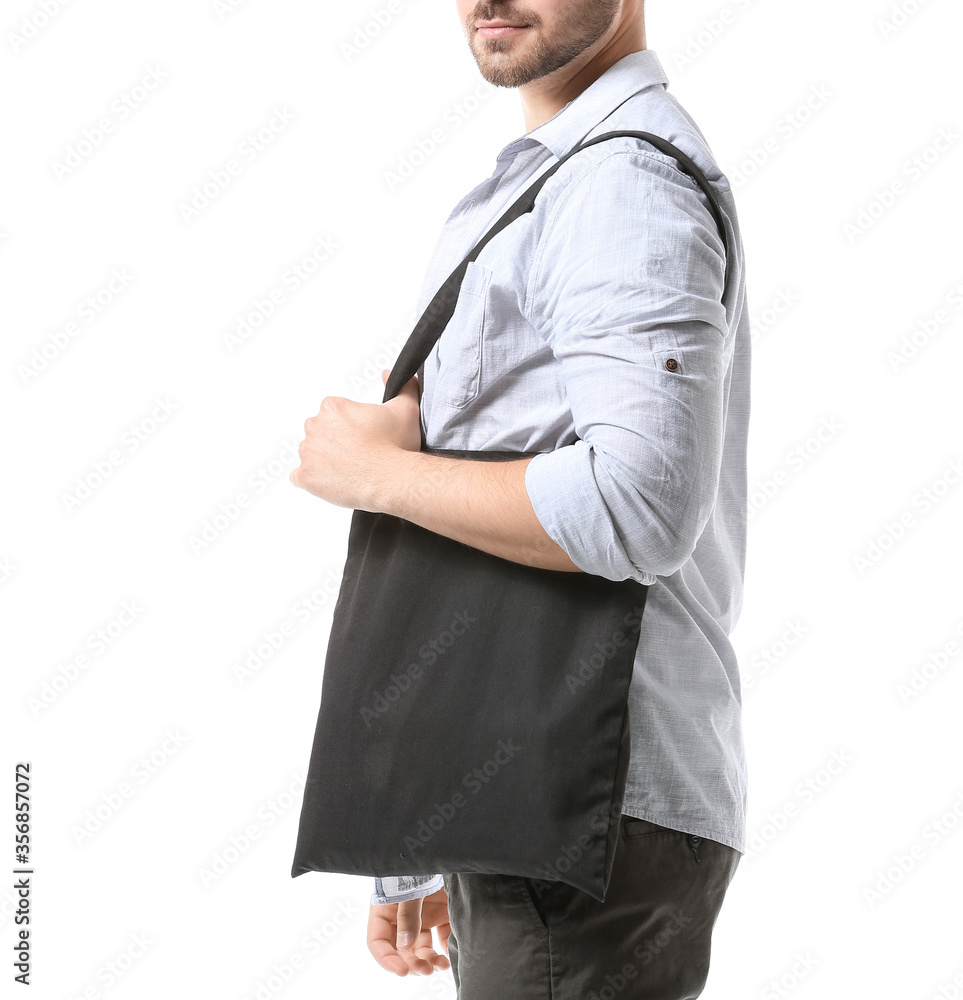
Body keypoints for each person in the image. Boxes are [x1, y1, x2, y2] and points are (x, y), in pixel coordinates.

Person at [290, 1, 752, 996]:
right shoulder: (559, 179)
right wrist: (425, 829)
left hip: (580, 812)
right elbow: (490, 485)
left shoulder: (619, 186)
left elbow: (639, 507)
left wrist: (369, 472)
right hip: (538, 808)